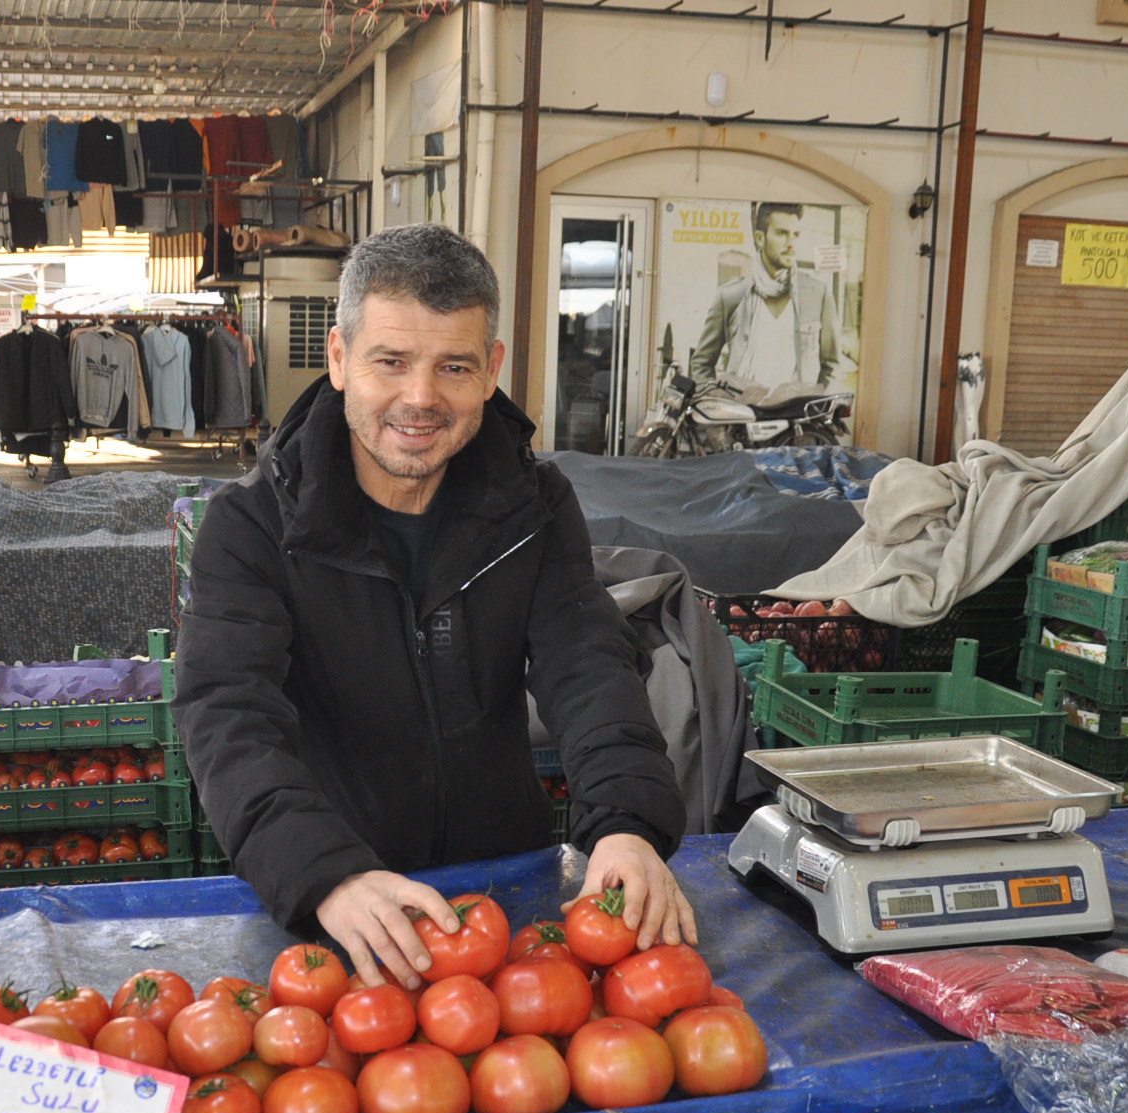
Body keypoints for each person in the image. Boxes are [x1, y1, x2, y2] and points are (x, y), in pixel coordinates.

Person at [174, 224, 693, 990]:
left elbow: (588, 666)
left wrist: (625, 824)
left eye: (453, 366)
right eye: (391, 362)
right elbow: (227, 715)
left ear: (491, 372)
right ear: (341, 360)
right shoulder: (253, 526)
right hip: (332, 908)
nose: (421, 398)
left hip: (506, 899)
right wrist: (326, 875)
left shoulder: (535, 507)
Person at [688, 202, 840, 397]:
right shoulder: (731, 296)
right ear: (760, 238)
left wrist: (816, 410)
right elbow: (702, 363)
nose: (791, 243)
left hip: (794, 418)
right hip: (741, 417)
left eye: (796, 235)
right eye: (782, 233)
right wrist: (714, 408)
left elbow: (832, 365)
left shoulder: (818, 294)